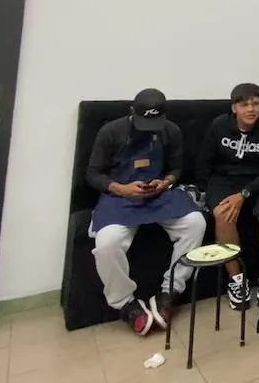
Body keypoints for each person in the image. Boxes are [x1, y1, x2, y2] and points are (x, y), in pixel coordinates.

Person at [86, 88, 206, 336]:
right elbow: (93, 174)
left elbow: (176, 168)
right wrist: (121, 188)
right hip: (120, 196)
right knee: (106, 243)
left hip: (158, 195)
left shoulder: (171, 131)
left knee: (196, 223)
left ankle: (170, 290)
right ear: (132, 112)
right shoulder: (111, 132)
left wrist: (166, 182)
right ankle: (125, 303)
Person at [195, 82, 259, 310]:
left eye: (256, 103)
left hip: (258, 182)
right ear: (234, 108)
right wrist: (205, 193)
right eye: (244, 105)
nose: (251, 109)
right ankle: (236, 281)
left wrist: (244, 194)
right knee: (223, 214)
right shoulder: (219, 126)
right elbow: (205, 161)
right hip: (224, 180)